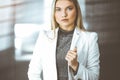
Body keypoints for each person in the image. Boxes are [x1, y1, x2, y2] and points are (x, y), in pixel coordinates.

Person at [27, 0, 100, 80]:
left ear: (77, 11)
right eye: (58, 9)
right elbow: (33, 73)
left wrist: (76, 65)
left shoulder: (90, 39)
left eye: (69, 8)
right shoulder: (44, 37)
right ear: (54, 13)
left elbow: (94, 77)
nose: (64, 14)